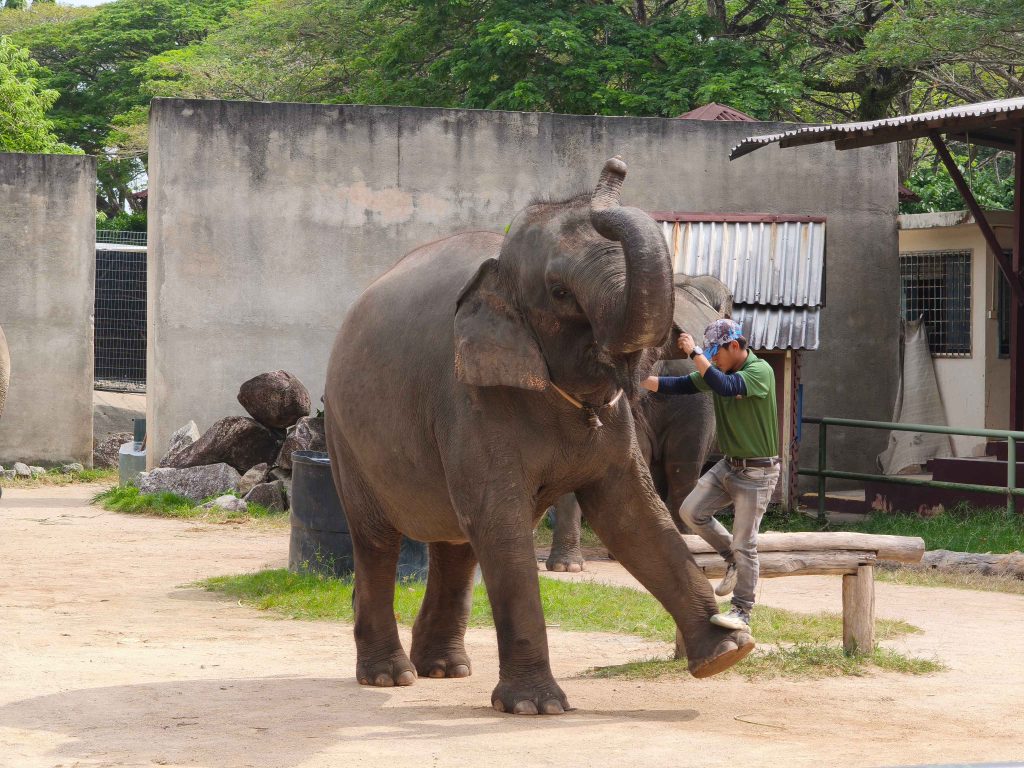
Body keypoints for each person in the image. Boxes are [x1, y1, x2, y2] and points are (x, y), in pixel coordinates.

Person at [642, 318, 779, 632]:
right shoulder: (718, 373)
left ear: (735, 346)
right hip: (729, 466)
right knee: (691, 511)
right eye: (710, 353)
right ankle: (731, 558)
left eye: (716, 351)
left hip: (757, 472)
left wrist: (695, 353)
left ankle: (742, 612)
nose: (713, 358)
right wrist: (639, 381)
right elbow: (679, 385)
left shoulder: (760, 372)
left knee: (746, 543)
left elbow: (727, 387)